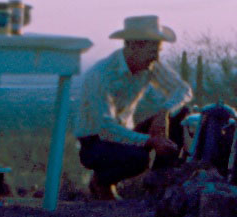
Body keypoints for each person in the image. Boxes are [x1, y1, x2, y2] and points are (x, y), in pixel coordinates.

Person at [74, 15, 193, 200]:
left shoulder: (150, 65)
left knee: (182, 116)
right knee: (138, 159)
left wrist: (164, 112)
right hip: (95, 140)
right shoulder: (101, 75)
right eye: (152, 50)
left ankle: (161, 182)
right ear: (134, 46)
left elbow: (183, 90)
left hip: (124, 133)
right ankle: (102, 181)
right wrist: (151, 141)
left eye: (158, 51)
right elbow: (106, 129)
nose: (156, 57)